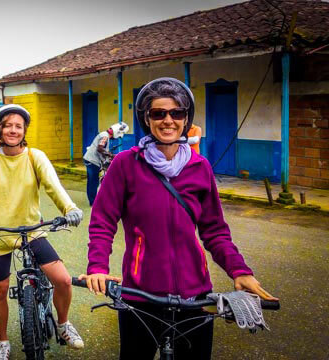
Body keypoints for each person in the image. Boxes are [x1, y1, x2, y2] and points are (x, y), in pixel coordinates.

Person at [79, 78, 277, 360]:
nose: (168, 120)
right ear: (147, 119)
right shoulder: (125, 164)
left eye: (176, 113)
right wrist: (97, 266)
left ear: (186, 119)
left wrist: (239, 271)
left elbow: (215, 231)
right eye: (158, 113)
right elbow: (103, 222)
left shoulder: (200, 167)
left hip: (195, 296)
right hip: (139, 296)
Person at [0, 104, 85, 360]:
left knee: (62, 279)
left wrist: (70, 207)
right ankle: (3, 342)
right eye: (7, 125)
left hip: (32, 231)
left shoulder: (34, 156)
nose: (13, 130)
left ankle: (63, 324)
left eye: (18, 126)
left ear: (24, 130)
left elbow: (53, 185)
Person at [83, 122, 129, 206]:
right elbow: (100, 148)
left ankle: (92, 200)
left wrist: (107, 156)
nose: (118, 137)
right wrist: (111, 155)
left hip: (89, 159)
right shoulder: (105, 136)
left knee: (91, 181)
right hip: (92, 161)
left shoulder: (104, 134)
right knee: (93, 182)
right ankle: (93, 202)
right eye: (120, 135)